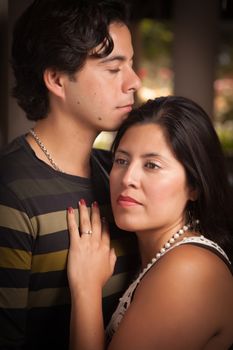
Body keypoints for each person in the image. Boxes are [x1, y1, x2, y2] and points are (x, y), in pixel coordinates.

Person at [0, 0, 141, 349]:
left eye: (132, 65)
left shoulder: (120, 174)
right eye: (113, 68)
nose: (134, 82)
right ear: (57, 79)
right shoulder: (11, 191)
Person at [67, 96, 233, 350]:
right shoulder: (163, 257)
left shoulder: (190, 271)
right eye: (121, 160)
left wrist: (86, 289)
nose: (128, 178)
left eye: (152, 165)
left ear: (194, 187)